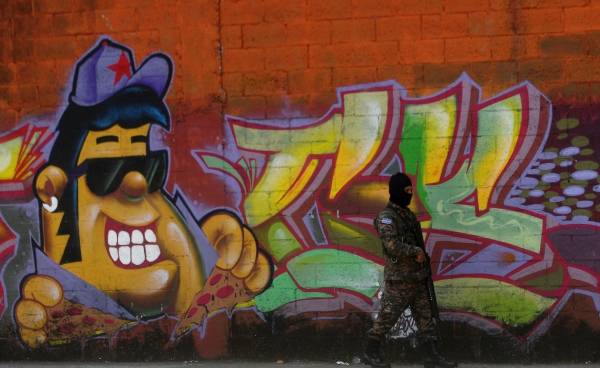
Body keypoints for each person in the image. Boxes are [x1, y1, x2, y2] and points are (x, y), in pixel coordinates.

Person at [363, 172, 457, 368]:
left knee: (425, 318)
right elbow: (391, 245)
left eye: (411, 190)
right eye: (406, 191)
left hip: (417, 277)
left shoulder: (408, 215)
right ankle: (370, 352)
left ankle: (431, 356)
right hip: (400, 280)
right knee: (387, 317)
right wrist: (414, 251)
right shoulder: (387, 217)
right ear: (397, 191)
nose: (409, 194)